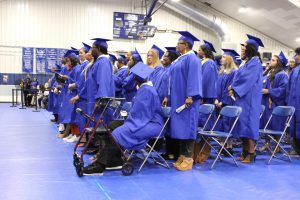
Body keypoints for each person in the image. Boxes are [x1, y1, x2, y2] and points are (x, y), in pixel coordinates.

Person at [82, 62, 164, 175]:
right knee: (112, 125)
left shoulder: (147, 90)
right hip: (142, 121)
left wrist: (129, 122)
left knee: (120, 132)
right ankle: (115, 160)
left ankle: (100, 165)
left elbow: (142, 114)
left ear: (136, 78)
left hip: (151, 124)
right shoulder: (143, 88)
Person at [169, 31, 202, 171]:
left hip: (187, 100)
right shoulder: (181, 58)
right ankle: (181, 156)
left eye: (179, 43)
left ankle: (188, 159)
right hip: (178, 98)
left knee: (188, 128)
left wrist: (191, 96)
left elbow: (194, 78)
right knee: (180, 129)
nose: (176, 46)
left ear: (186, 45)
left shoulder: (192, 59)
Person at [229, 34, 263, 163]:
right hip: (242, 98)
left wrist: (234, 87)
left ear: (251, 49)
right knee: (242, 125)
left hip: (250, 99)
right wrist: (232, 87)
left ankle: (251, 153)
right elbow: (238, 77)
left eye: (245, 46)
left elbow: (247, 79)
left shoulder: (255, 63)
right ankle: (244, 152)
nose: (242, 48)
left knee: (249, 125)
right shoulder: (247, 62)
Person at [259, 52, 288, 153]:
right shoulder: (269, 73)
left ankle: (278, 145)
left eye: (273, 60)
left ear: (278, 63)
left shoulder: (282, 75)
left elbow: (283, 89)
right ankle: (267, 144)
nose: (270, 61)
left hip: (275, 103)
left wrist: (269, 91)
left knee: (276, 124)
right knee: (266, 123)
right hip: (266, 102)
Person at [197, 40, 218, 129]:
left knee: (206, 118)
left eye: (199, 50)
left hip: (206, 96)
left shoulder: (209, 63)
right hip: (202, 94)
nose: (197, 52)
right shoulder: (203, 61)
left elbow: (206, 80)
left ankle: (205, 140)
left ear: (204, 52)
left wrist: (201, 95)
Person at [286, 47, 300, 155]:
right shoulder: (294, 71)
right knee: (294, 126)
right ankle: (296, 149)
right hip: (294, 104)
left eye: (298, 55)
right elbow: (288, 88)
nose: (296, 57)